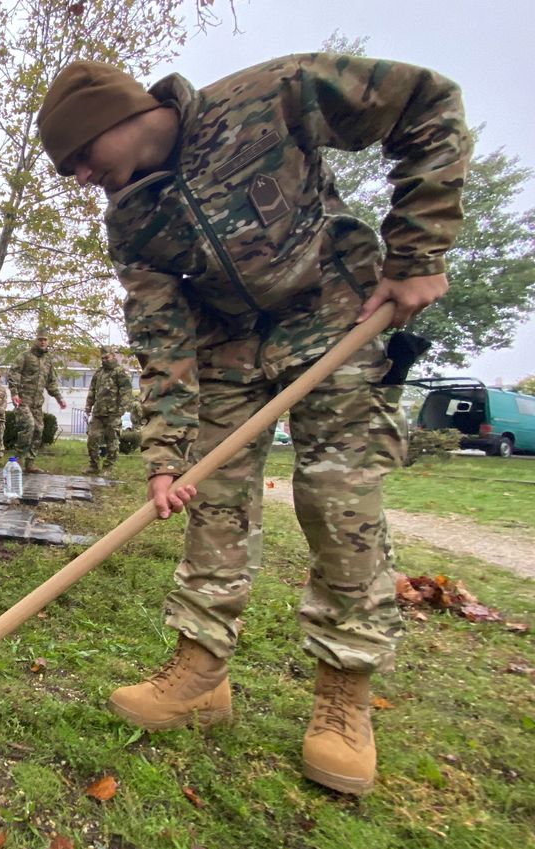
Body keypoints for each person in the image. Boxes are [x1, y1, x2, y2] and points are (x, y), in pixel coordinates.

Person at [37, 53, 469, 795]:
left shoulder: (271, 95)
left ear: (115, 116)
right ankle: (201, 674)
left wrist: (418, 251)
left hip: (339, 316)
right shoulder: (132, 221)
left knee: (340, 506)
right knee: (212, 506)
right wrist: (167, 454)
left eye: (79, 155)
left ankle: (344, 696)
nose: (80, 175)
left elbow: (426, 104)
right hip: (228, 351)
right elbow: (161, 336)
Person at [9, 328, 67, 474]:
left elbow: (51, 382)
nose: (42, 342)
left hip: (37, 403)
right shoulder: (25, 356)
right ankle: (17, 460)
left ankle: (30, 463)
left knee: (39, 430)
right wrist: (14, 392)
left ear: (48, 342)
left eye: (45, 340)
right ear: (35, 340)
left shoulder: (48, 361)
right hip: (23, 400)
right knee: (29, 426)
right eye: (40, 339)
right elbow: (14, 372)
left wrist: (59, 398)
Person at [85, 346, 132, 475]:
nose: (105, 360)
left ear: (113, 356)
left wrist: (122, 408)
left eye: (107, 357)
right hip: (98, 413)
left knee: (113, 442)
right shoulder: (99, 373)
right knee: (92, 439)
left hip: (113, 413)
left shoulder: (119, 372)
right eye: (103, 358)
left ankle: (108, 467)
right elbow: (92, 390)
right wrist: (88, 406)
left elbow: (126, 392)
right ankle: (93, 465)